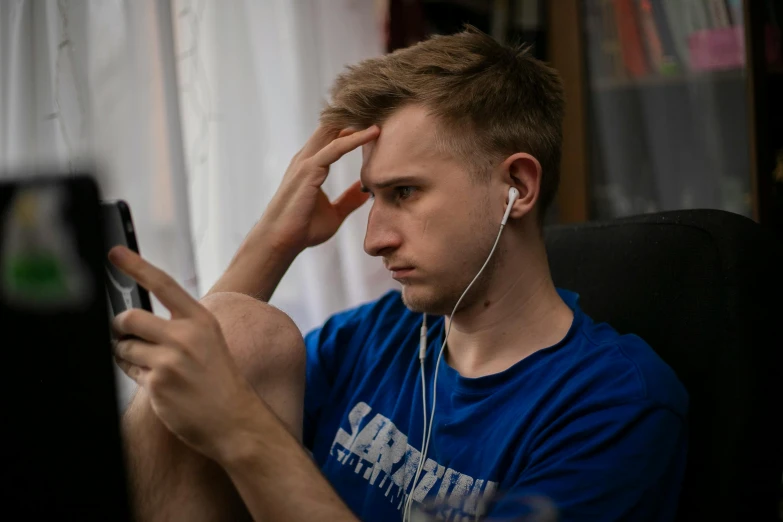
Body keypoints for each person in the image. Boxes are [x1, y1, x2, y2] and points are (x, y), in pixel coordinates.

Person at [112, 27, 688, 522]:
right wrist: (274, 240)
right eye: (371, 197)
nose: (371, 239)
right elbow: (205, 385)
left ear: (518, 187)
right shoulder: (375, 336)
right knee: (243, 327)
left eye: (404, 192)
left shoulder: (616, 405)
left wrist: (240, 430)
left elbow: (233, 417)